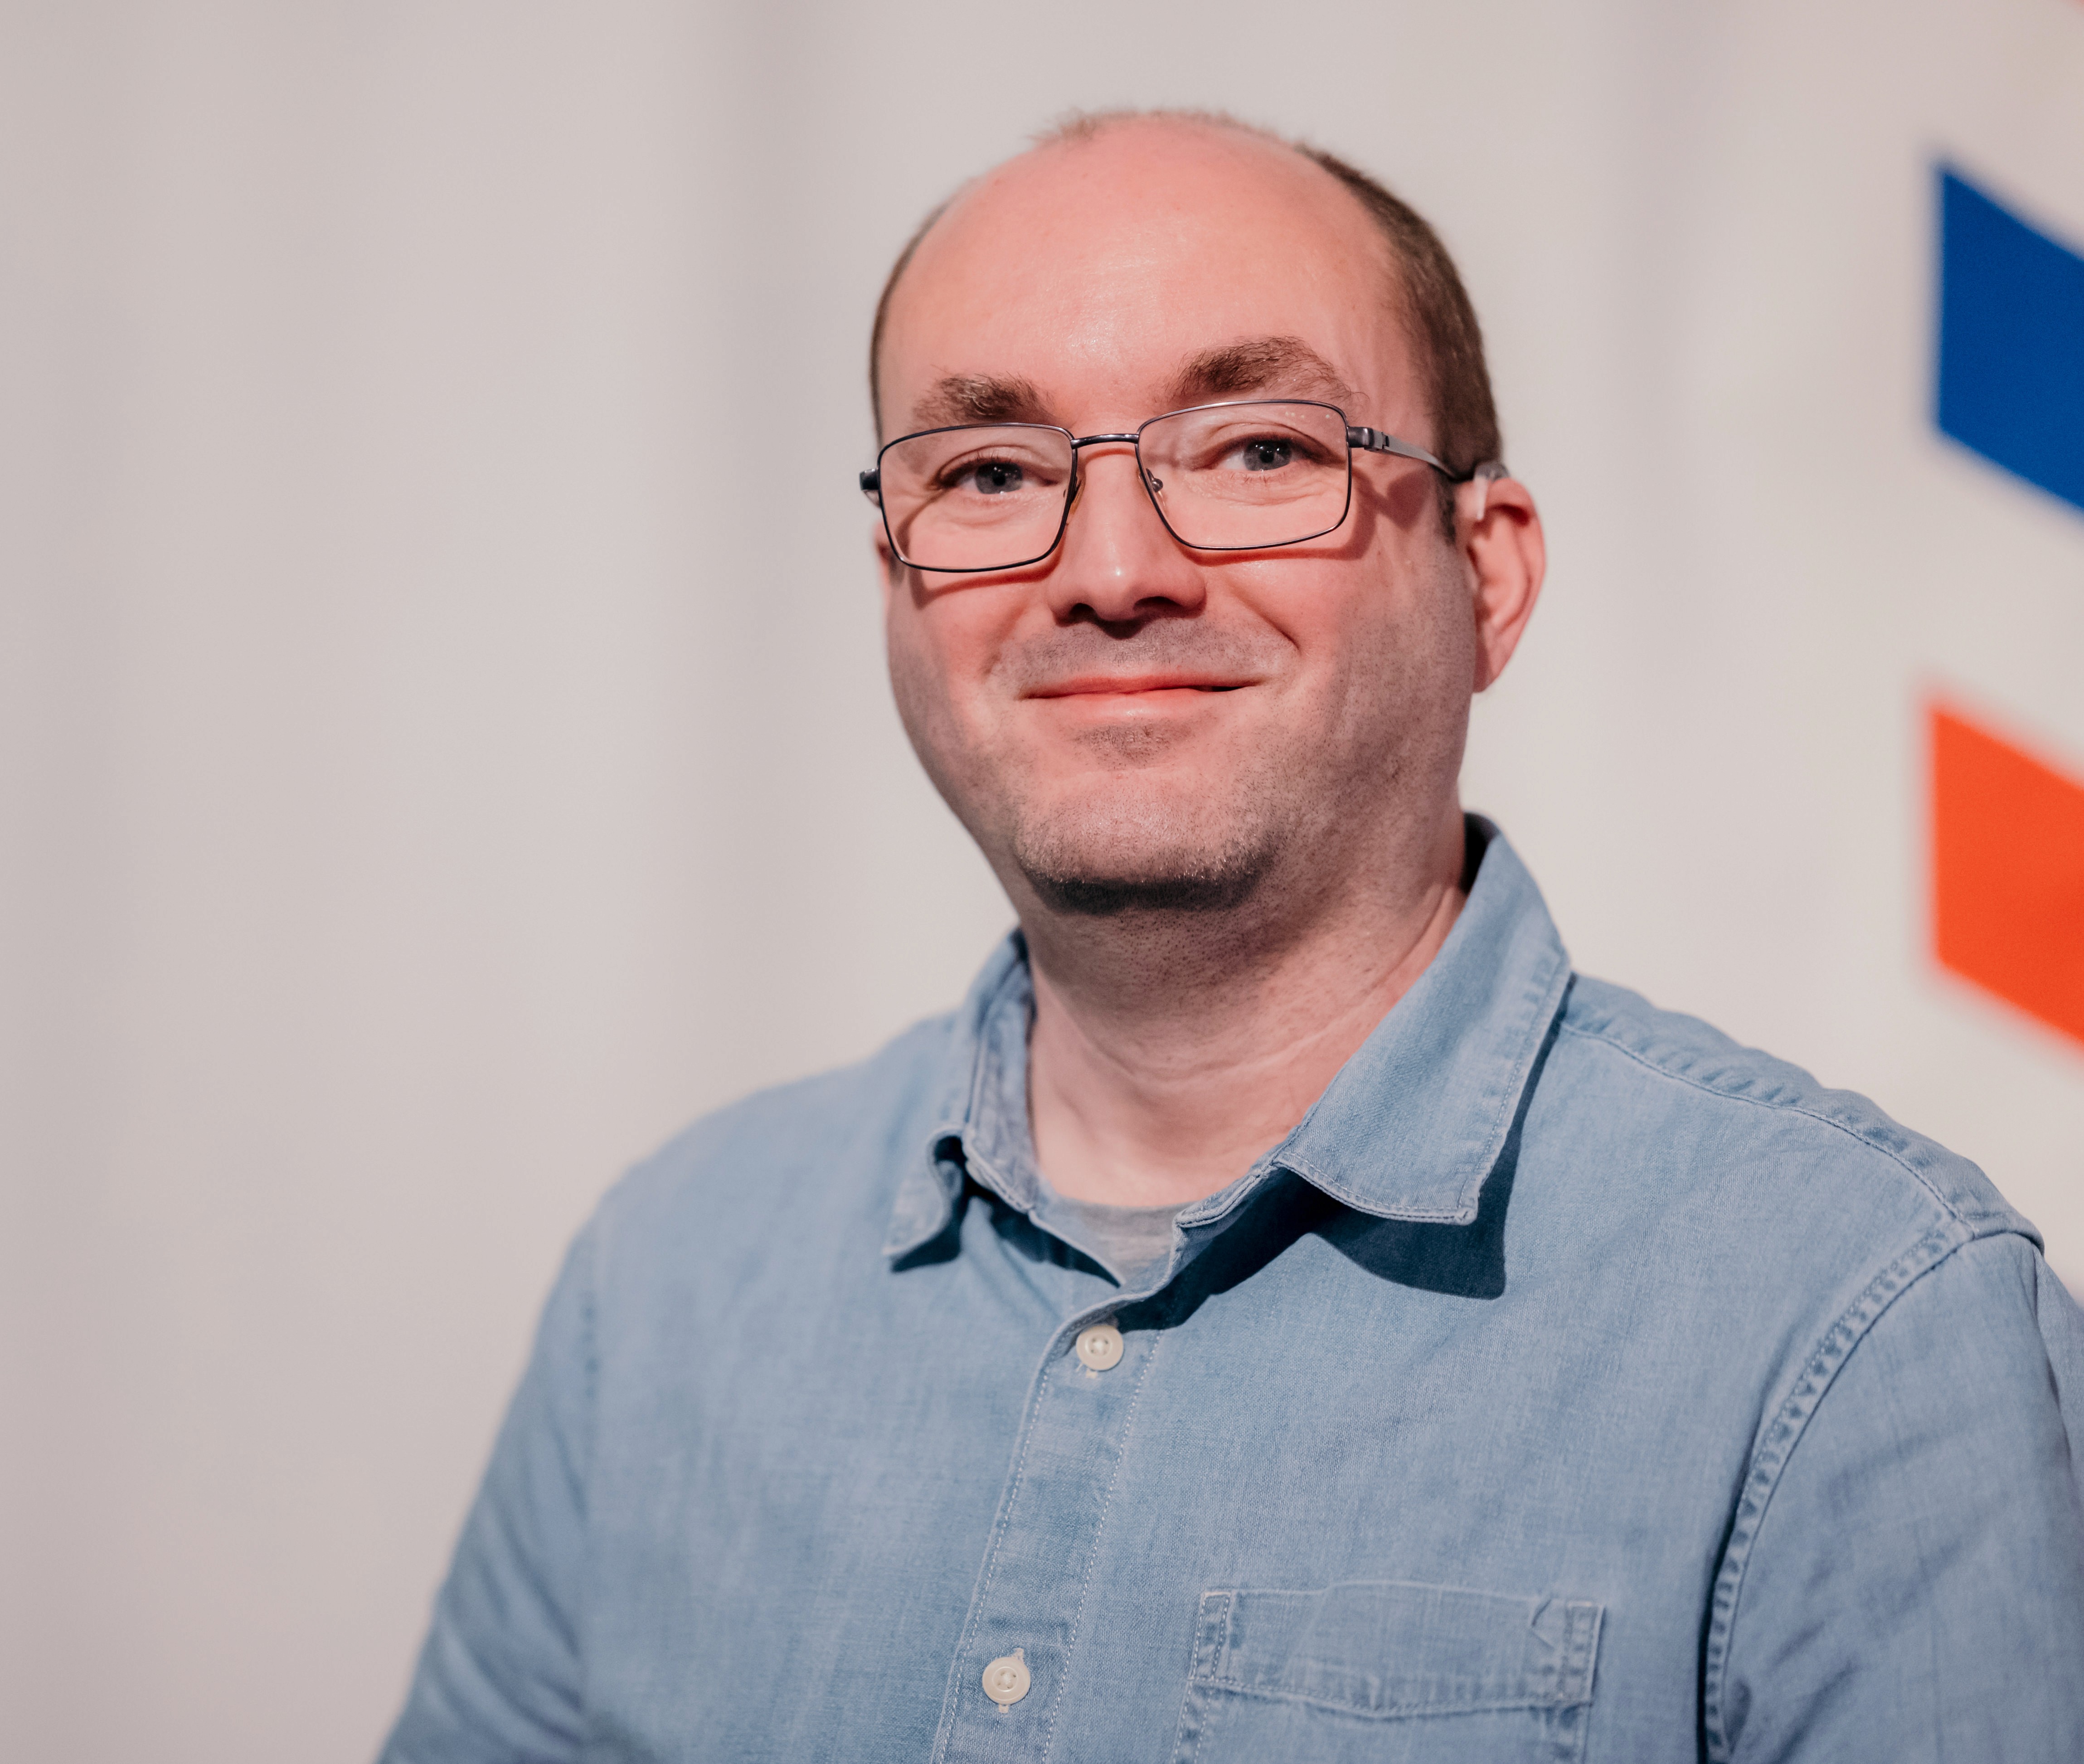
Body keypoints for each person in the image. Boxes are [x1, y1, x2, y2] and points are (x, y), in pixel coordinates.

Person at [382, 111, 2084, 1762]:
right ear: (896, 584)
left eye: (1263, 448)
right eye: (987, 469)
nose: (1112, 568)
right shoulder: (666, 1289)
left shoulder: (1865, 1325)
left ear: (1488, 575)